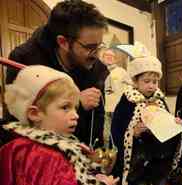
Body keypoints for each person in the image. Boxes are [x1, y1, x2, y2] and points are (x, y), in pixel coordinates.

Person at [0, 65, 118, 185]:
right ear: (35, 114)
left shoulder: (15, 148)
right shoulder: (51, 158)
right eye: (65, 107)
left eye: (75, 108)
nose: (75, 115)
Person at [5, 0, 109, 147]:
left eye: (100, 46)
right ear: (63, 42)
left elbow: (96, 120)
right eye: (90, 47)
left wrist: (94, 156)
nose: (97, 55)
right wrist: (75, 102)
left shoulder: (96, 68)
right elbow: (15, 122)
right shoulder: (25, 59)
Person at [110, 55, 182, 185]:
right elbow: (117, 128)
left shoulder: (159, 99)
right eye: (146, 81)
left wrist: (175, 124)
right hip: (139, 163)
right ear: (135, 81)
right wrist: (133, 132)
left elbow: (166, 124)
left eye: (155, 81)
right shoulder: (128, 101)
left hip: (160, 160)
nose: (151, 85)